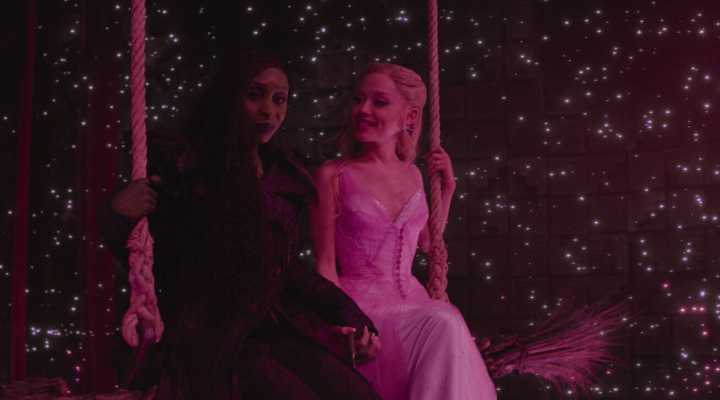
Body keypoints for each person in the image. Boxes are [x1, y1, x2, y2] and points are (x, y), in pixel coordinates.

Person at [103, 51, 381, 399]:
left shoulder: (281, 177)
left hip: (270, 329)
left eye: (279, 99)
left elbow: (287, 270)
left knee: (352, 392)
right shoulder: (189, 171)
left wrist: (350, 314)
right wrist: (118, 214)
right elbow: (147, 256)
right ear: (230, 99)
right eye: (255, 95)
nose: (269, 111)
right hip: (210, 337)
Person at [311, 63, 497, 400]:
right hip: (363, 310)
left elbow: (426, 242)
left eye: (379, 102)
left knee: (443, 322)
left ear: (409, 117)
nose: (363, 110)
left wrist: (448, 190)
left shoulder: (413, 174)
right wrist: (342, 323)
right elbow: (325, 264)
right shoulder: (333, 175)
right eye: (358, 100)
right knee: (444, 322)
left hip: (414, 303)